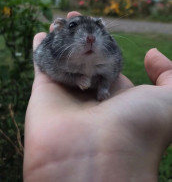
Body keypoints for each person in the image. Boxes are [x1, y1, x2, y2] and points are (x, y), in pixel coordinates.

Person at [24, 11, 172, 182]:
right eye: (73, 26)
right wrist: (76, 78)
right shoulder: (54, 55)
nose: (90, 38)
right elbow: (51, 68)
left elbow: (112, 73)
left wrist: (104, 88)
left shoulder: (110, 56)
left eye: (98, 28)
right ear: (60, 28)